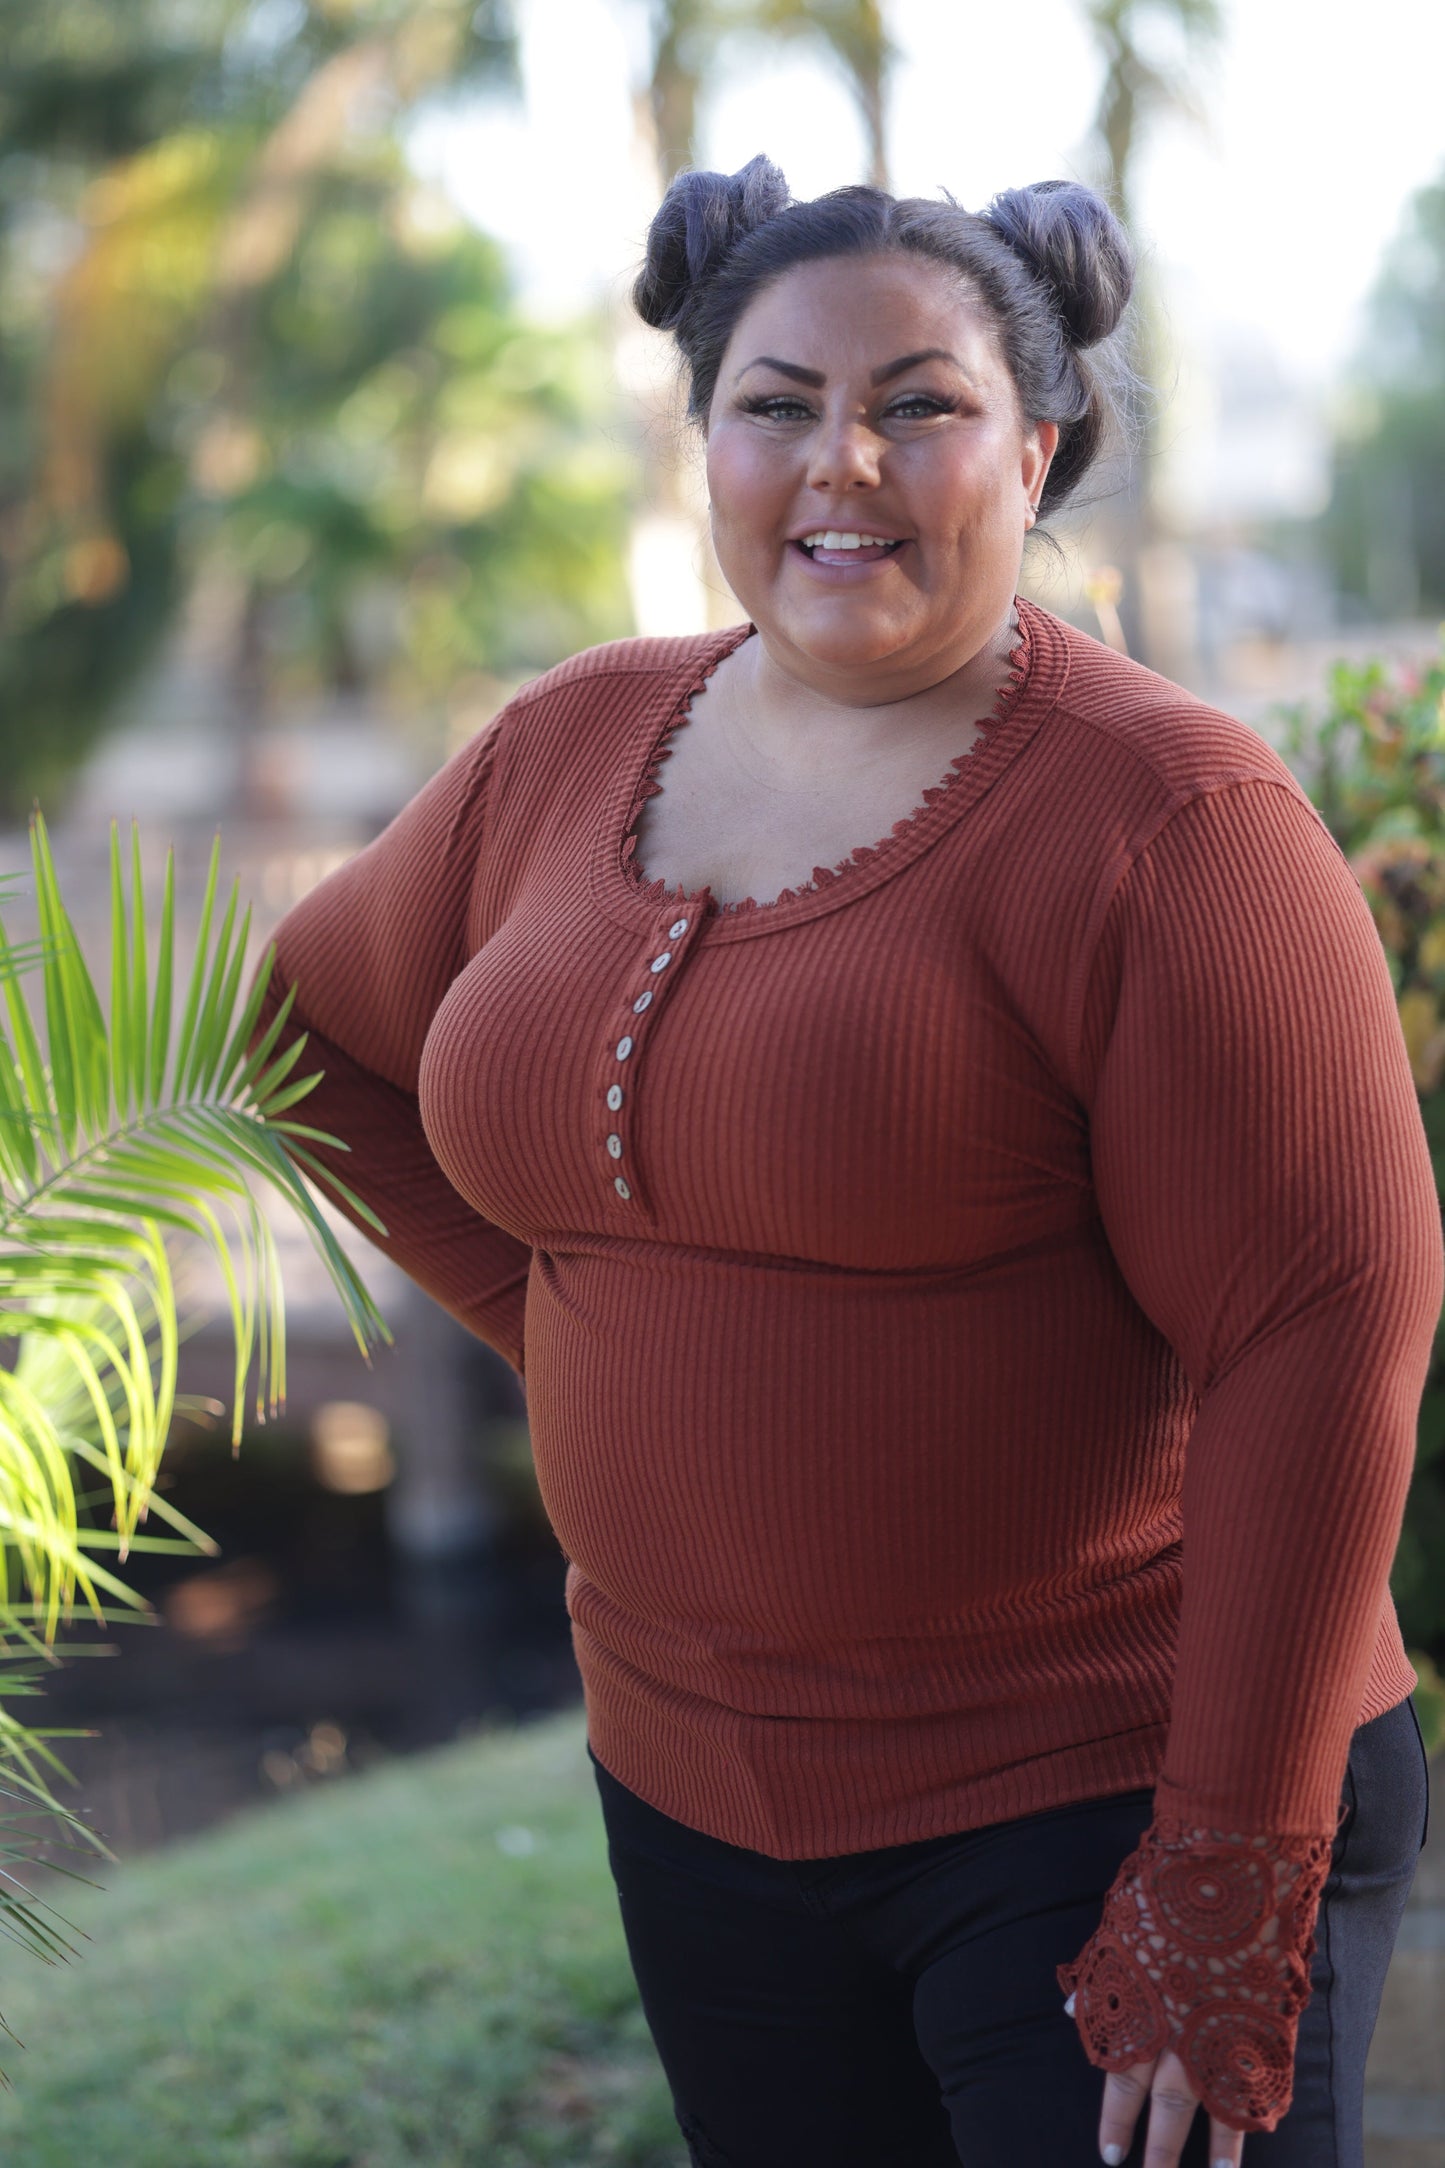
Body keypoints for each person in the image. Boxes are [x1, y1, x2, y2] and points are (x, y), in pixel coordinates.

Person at [250, 157, 1439, 2167]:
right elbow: (310, 1033)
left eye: (920, 403)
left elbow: (1322, 1331)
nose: (842, 463)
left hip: (1104, 1791)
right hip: (694, 1790)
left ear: (1042, 444)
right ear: (702, 438)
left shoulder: (1173, 820)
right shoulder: (563, 744)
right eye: (776, 402)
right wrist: (569, 1340)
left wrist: (1225, 1868)